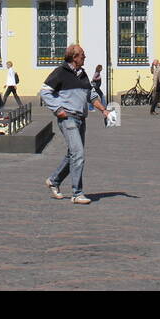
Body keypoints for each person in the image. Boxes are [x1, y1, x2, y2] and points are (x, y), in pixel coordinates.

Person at [41, 44, 111, 204]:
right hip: (68, 118)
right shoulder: (60, 72)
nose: (84, 57)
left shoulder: (82, 74)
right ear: (74, 57)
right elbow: (45, 91)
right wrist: (58, 109)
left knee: (72, 154)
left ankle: (54, 180)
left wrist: (104, 110)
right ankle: (77, 193)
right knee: (78, 154)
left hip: (81, 119)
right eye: (82, 55)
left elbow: (91, 95)